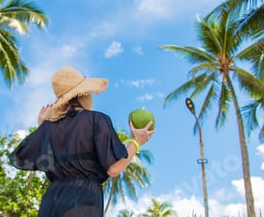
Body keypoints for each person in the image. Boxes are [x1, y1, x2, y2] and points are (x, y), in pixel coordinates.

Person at [9, 66, 155, 217]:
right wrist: (137, 141)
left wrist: (42, 127)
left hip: (52, 200)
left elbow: (21, 157)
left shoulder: (48, 127)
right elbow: (114, 169)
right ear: (84, 93)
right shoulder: (96, 120)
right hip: (83, 200)